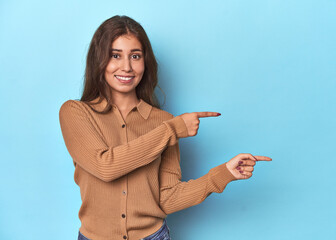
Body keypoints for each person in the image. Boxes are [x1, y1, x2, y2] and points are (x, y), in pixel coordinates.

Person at [59, 15, 272, 240]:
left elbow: (167, 199)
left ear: (145, 62)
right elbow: (105, 167)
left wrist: (224, 174)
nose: (127, 67)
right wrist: (171, 130)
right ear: (99, 60)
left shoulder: (164, 121)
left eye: (135, 56)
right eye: (115, 55)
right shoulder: (76, 113)